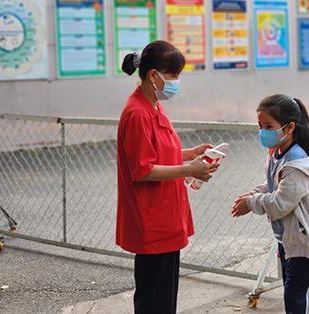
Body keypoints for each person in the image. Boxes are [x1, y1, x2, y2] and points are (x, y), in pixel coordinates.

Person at [116, 40, 219, 314]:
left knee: (163, 295)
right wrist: (190, 169)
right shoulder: (138, 113)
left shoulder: (152, 106)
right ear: (153, 75)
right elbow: (143, 169)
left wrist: (190, 154)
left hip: (164, 216)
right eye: (173, 75)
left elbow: (159, 152)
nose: (177, 81)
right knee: (155, 299)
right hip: (152, 220)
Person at [231, 95, 309, 314]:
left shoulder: (297, 162)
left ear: (289, 127)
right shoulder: (279, 153)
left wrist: (251, 202)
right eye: (260, 126)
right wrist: (255, 193)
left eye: (268, 126)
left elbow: (280, 203)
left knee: (300, 301)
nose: (262, 132)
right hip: (290, 241)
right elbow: (273, 184)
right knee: (300, 298)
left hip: (305, 244)